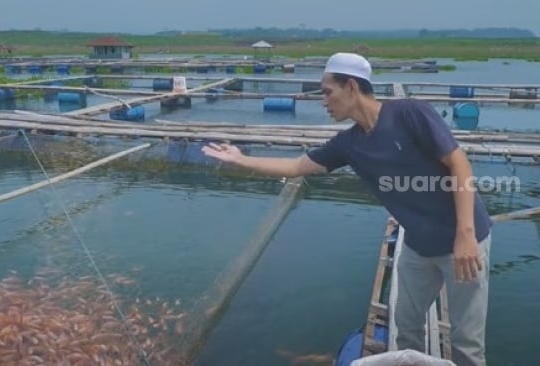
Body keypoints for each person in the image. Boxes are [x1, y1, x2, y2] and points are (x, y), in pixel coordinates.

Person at [201, 52, 492, 366]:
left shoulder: (410, 113)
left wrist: (466, 235)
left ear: (351, 87)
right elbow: (298, 165)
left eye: (328, 92)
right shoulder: (348, 144)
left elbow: (458, 163)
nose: (323, 101)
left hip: (463, 239)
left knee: (465, 343)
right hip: (417, 246)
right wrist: (242, 159)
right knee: (405, 330)